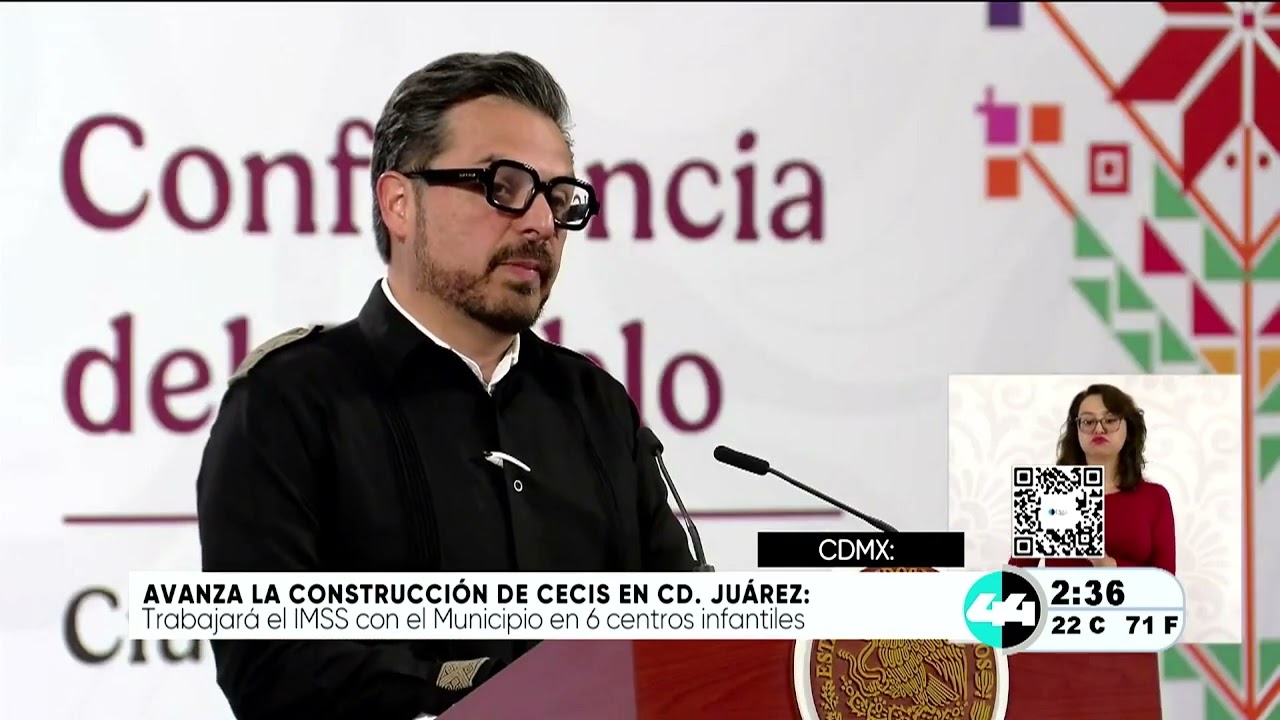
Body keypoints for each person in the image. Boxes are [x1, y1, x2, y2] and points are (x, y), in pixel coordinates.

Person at [195, 51, 699, 720]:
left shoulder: (595, 406)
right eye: (504, 186)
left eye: (558, 199)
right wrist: (503, 686)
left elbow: (686, 633)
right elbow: (272, 666)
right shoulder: (289, 401)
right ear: (400, 205)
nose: (541, 224)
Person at [1008, 383, 1176, 574]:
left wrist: (1112, 566)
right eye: (1088, 422)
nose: (1099, 429)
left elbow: (1167, 582)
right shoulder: (1050, 493)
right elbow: (1014, 576)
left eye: (1110, 420)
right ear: (1077, 431)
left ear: (1129, 430)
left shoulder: (1155, 497)